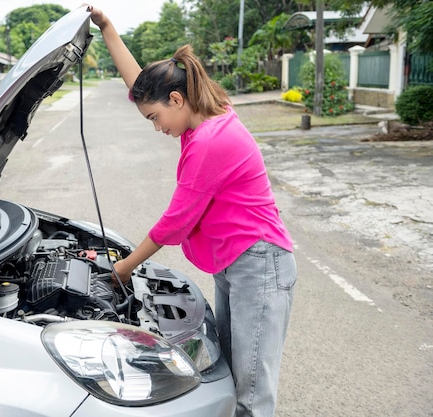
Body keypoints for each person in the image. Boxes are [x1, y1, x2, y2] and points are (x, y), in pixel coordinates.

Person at [88, 6, 297, 417]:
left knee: (251, 395)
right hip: (236, 262)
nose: (156, 126)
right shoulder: (203, 112)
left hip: (260, 264)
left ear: (178, 99)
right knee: (233, 377)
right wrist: (109, 29)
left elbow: (176, 223)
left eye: (155, 117)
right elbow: (141, 87)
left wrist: (123, 268)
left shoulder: (210, 142)